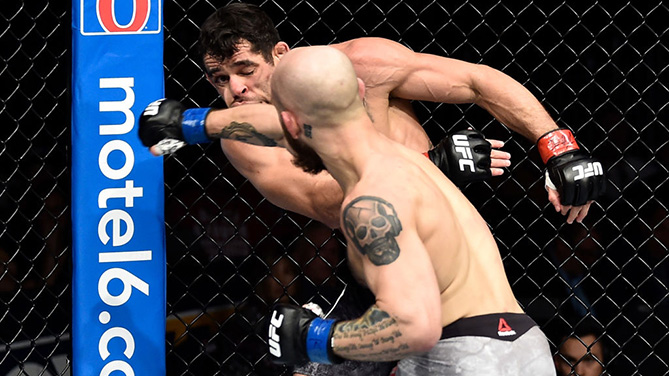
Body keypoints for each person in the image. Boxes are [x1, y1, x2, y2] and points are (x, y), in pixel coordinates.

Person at [139, 3, 606, 230]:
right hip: (379, 254)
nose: (235, 89)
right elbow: (326, 202)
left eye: (245, 70)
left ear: (279, 55)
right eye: (219, 80)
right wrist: (432, 163)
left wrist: (556, 145)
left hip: (462, 226)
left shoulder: (360, 64)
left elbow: (477, 81)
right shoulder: (242, 138)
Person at [264, 45, 556, 375]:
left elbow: (415, 325)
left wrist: (313, 338)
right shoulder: (416, 162)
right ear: (360, 92)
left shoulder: (369, 201)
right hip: (528, 349)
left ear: (289, 124)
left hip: (464, 356)